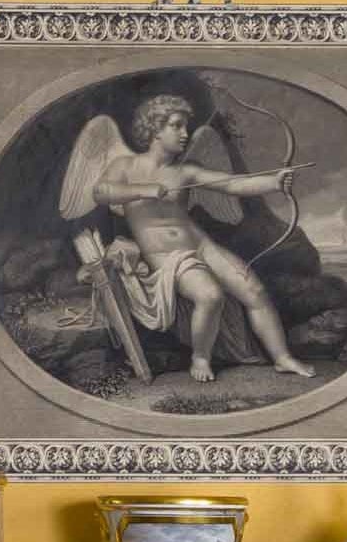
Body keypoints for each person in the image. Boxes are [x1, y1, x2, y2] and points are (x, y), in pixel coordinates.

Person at [84, 93, 315, 382]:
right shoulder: (126, 166)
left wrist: (273, 182)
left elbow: (232, 185)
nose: (185, 133)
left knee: (254, 290)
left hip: (201, 246)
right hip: (166, 256)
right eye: (176, 126)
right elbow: (100, 192)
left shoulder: (186, 171)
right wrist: (144, 189)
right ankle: (201, 357)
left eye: (186, 126)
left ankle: (282, 358)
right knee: (210, 295)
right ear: (155, 129)